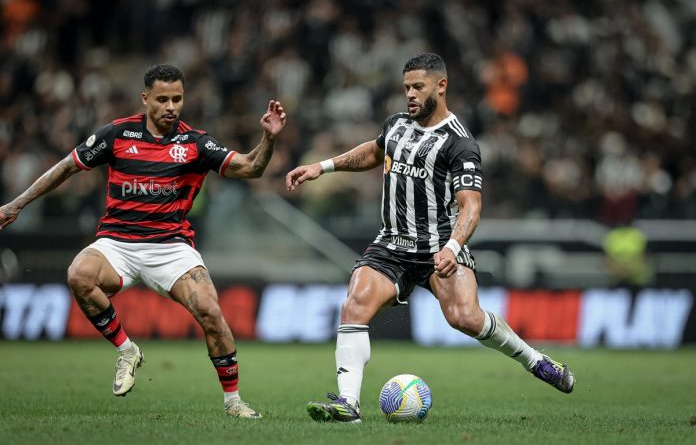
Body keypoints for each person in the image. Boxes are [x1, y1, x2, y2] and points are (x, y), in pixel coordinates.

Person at [286, 53, 574, 424]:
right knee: (354, 304)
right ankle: (348, 405)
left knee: (465, 318)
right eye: (406, 87)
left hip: (440, 247)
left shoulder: (460, 144)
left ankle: (535, 361)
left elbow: (471, 206)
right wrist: (321, 167)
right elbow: (375, 151)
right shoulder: (396, 124)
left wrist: (453, 247)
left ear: (441, 86)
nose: (410, 94)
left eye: (418, 87)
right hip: (392, 244)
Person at [0, 64, 287, 419]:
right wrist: (17, 204)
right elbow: (66, 167)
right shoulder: (117, 134)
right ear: (145, 98)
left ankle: (233, 402)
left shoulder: (195, 143)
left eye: (178, 99)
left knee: (212, 313)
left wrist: (269, 139)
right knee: (79, 274)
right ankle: (126, 350)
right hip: (117, 243)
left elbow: (250, 168)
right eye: (163, 99)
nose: (171, 106)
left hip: (170, 246)